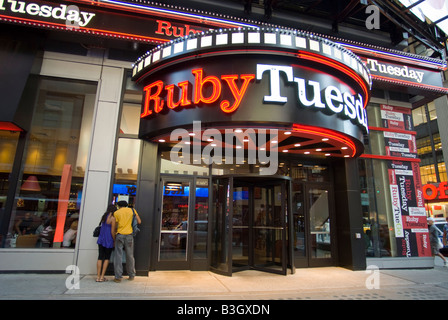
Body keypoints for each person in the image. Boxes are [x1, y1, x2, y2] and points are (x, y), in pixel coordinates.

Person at [113, 200, 141, 283]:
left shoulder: (116, 213)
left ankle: (118, 277)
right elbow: (139, 221)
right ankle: (131, 275)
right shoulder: (132, 210)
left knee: (118, 255)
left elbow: (115, 226)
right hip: (129, 235)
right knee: (130, 255)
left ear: (118, 206)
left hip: (120, 235)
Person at [96, 205, 116, 282]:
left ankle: (98, 277)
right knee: (107, 258)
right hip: (108, 240)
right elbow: (112, 231)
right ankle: (102, 276)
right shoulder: (112, 219)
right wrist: (114, 240)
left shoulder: (103, 217)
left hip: (101, 239)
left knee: (100, 257)